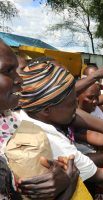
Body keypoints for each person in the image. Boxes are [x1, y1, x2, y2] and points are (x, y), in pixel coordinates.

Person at [0, 40, 79, 199]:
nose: (19, 79)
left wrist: (60, 174)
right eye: (8, 70)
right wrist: (69, 183)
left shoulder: (10, 119)